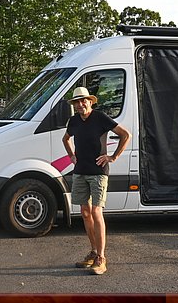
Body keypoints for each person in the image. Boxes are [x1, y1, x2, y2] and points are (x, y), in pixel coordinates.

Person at [61, 86, 131, 275]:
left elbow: (125, 135)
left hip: (98, 172)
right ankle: (93, 252)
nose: (80, 104)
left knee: (96, 211)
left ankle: (101, 258)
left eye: (84, 101)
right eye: (77, 102)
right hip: (80, 171)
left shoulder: (100, 118)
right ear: (74, 105)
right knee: (84, 212)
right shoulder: (74, 121)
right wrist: (71, 157)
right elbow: (65, 139)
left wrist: (113, 157)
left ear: (90, 102)